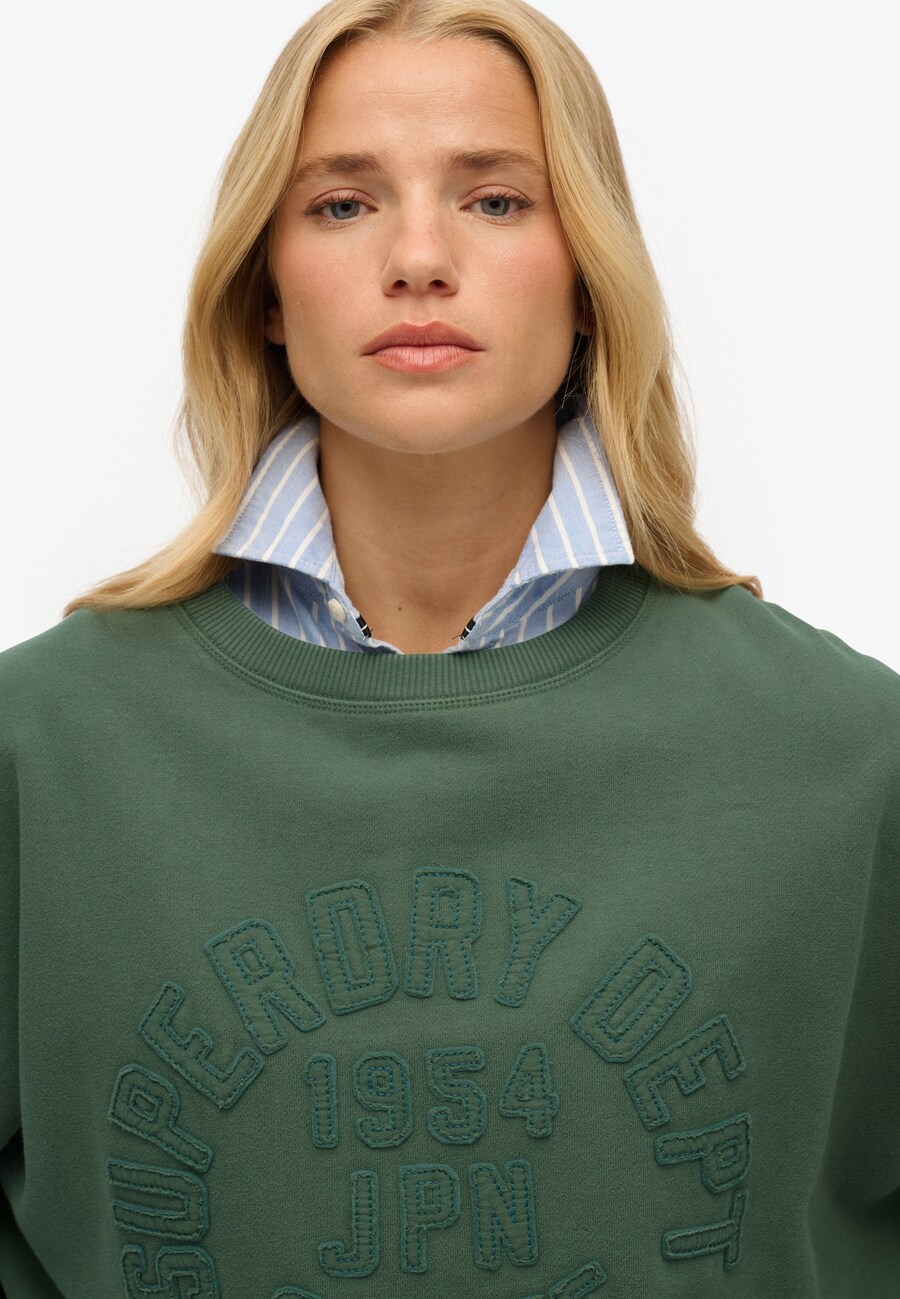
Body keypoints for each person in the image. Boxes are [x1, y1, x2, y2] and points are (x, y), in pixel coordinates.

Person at [1, 0, 897, 1295]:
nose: (419, 258)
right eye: (341, 204)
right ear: (265, 290)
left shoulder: (854, 761)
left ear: (588, 276)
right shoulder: (38, 755)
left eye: (495, 200)